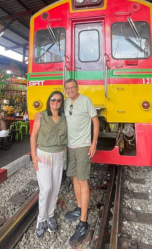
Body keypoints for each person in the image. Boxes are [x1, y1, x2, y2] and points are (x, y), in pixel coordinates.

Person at [63, 79, 99, 247]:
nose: (70, 90)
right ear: (65, 90)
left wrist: (94, 142)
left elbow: (95, 121)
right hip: (70, 147)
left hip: (83, 145)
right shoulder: (64, 103)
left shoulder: (86, 100)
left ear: (77, 88)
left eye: (73, 88)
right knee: (75, 178)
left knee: (83, 181)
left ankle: (83, 223)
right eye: (67, 88)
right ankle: (79, 209)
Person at [31, 91, 67, 239]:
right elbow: (33, 136)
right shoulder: (41, 115)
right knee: (46, 188)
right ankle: (41, 220)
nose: (56, 102)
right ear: (49, 101)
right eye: (53, 100)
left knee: (56, 188)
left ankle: (50, 215)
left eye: (58, 100)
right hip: (43, 155)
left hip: (59, 155)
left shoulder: (65, 117)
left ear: (61, 103)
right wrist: (33, 156)